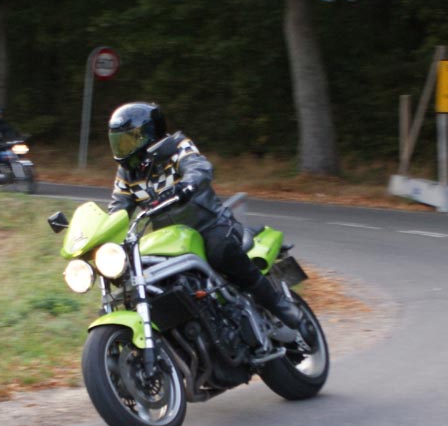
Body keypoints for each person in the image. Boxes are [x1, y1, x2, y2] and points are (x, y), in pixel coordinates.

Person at [106, 101, 304, 346]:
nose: (123, 148)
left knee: (221, 251)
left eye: (128, 140)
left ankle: (280, 306)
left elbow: (198, 166)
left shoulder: (177, 146)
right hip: (171, 238)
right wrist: (104, 236)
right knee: (147, 276)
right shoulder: (126, 174)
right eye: (118, 142)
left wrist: (188, 184)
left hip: (208, 224)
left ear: (148, 135)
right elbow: (118, 209)